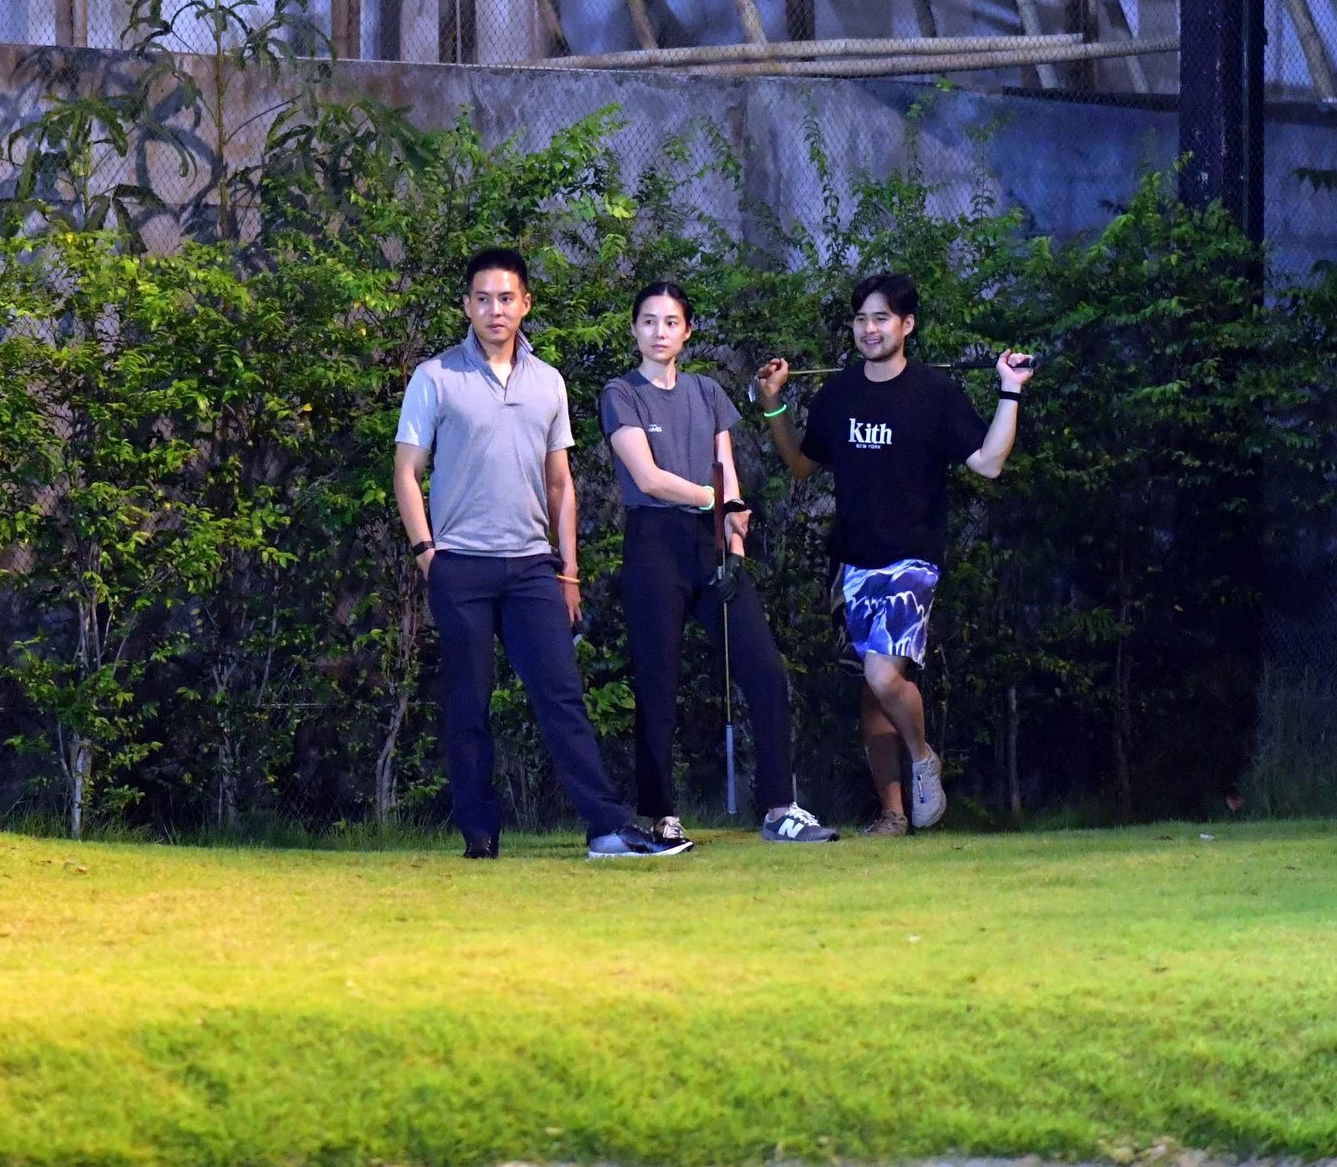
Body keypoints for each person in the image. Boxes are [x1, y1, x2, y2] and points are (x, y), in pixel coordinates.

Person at [394, 247, 687, 860]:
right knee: (468, 705)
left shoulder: (548, 381)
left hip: (533, 566)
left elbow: (561, 483)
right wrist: (427, 553)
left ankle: (606, 828)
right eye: (482, 298)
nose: (494, 310)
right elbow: (406, 470)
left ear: (525, 303)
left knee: (561, 697)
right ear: (466, 306)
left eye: (506, 298)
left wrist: (569, 570)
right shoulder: (436, 376)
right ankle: (479, 836)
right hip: (461, 565)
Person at [753, 272, 1032, 836]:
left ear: (907, 325)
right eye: (860, 319)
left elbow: (989, 462)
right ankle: (893, 813)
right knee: (870, 690)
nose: (869, 328)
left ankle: (924, 757)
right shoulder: (839, 394)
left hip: (912, 561)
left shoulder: (935, 393)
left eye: (881, 318)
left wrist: (1010, 390)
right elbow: (803, 465)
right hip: (852, 563)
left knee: (884, 676)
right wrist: (772, 405)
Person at [602, 281, 838, 846]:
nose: (660, 332)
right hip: (655, 539)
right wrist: (716, 501)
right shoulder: (620, 392)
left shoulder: (707, 392)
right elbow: (649, 477)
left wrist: (734, 544)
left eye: (671, 322)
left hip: (712, 544)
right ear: (635, 328)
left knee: (763, 668)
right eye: (649, 321)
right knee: (658, 682)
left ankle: (780, 807)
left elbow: (725, 466)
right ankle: (662, 815)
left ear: (687, 331)